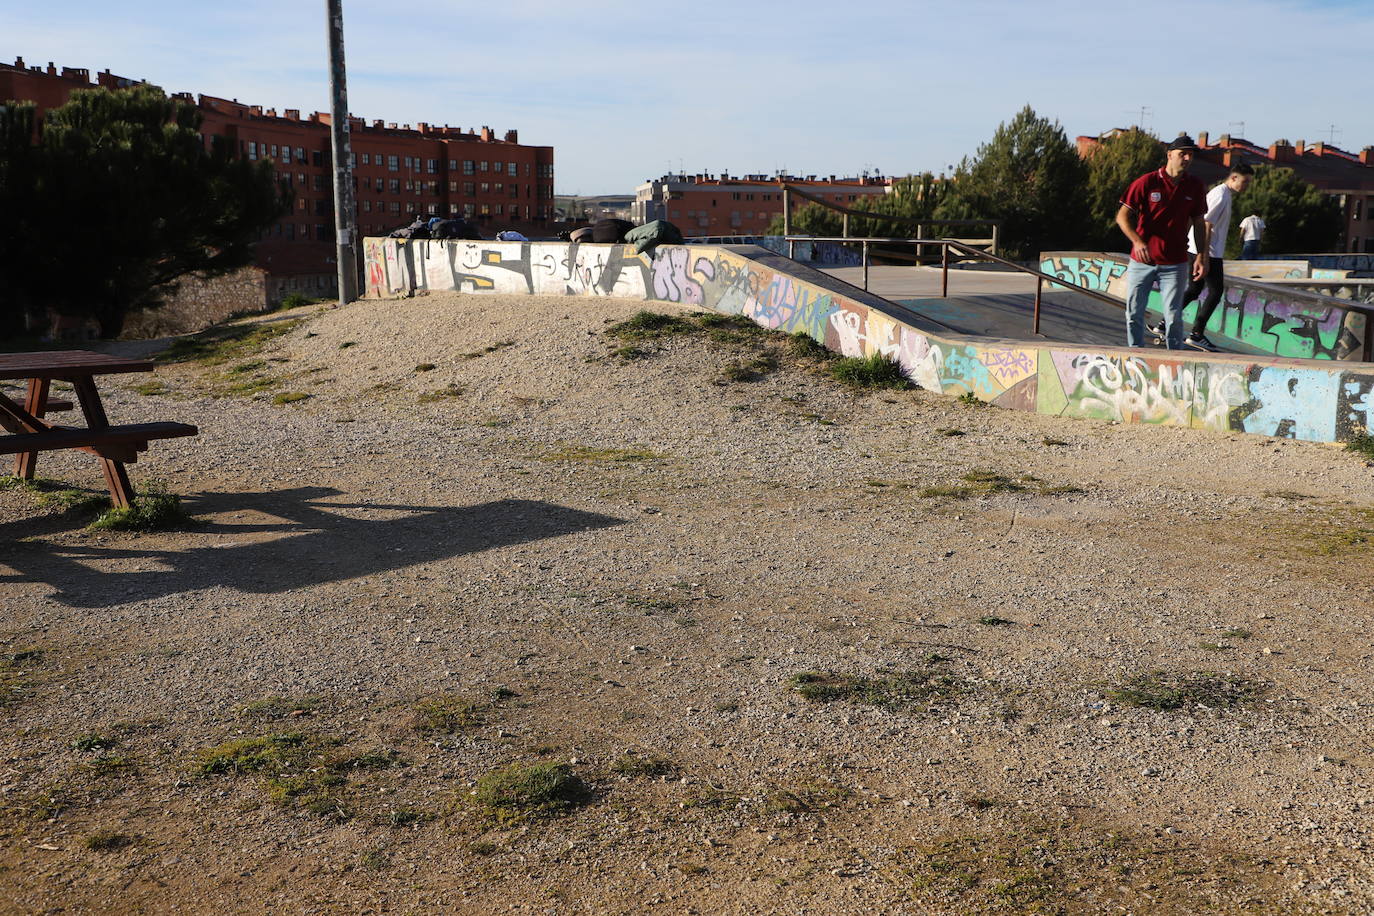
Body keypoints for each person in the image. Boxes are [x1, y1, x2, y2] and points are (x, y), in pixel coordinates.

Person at [1115, 135, 1209, 349]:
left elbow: (1199, 223)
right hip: (1142, 261)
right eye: (1182, 154)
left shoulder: (1194, 186)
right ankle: (1136, 354)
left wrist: (1202, 256)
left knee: (1173, 316)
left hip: (1175, 262)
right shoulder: (1147, 182)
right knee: (1134, 313)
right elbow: (1122, 216)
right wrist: (1138, 242)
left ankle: (1174, 358)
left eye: (1190, 155)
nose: (1186, 158)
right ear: (1169, 155)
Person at [1150, 162, 1253, 351]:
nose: (1246, 186)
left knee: (1194, 289)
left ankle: (1165, 324)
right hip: (1207, 251)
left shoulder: (1225, 194)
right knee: (1215, 291)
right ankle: (1197, 333)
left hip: (1206, 250)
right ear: (1233, 178)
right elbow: (1205, 224)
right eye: (1244, 182)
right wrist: (1203, 256)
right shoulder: (1220, 195)